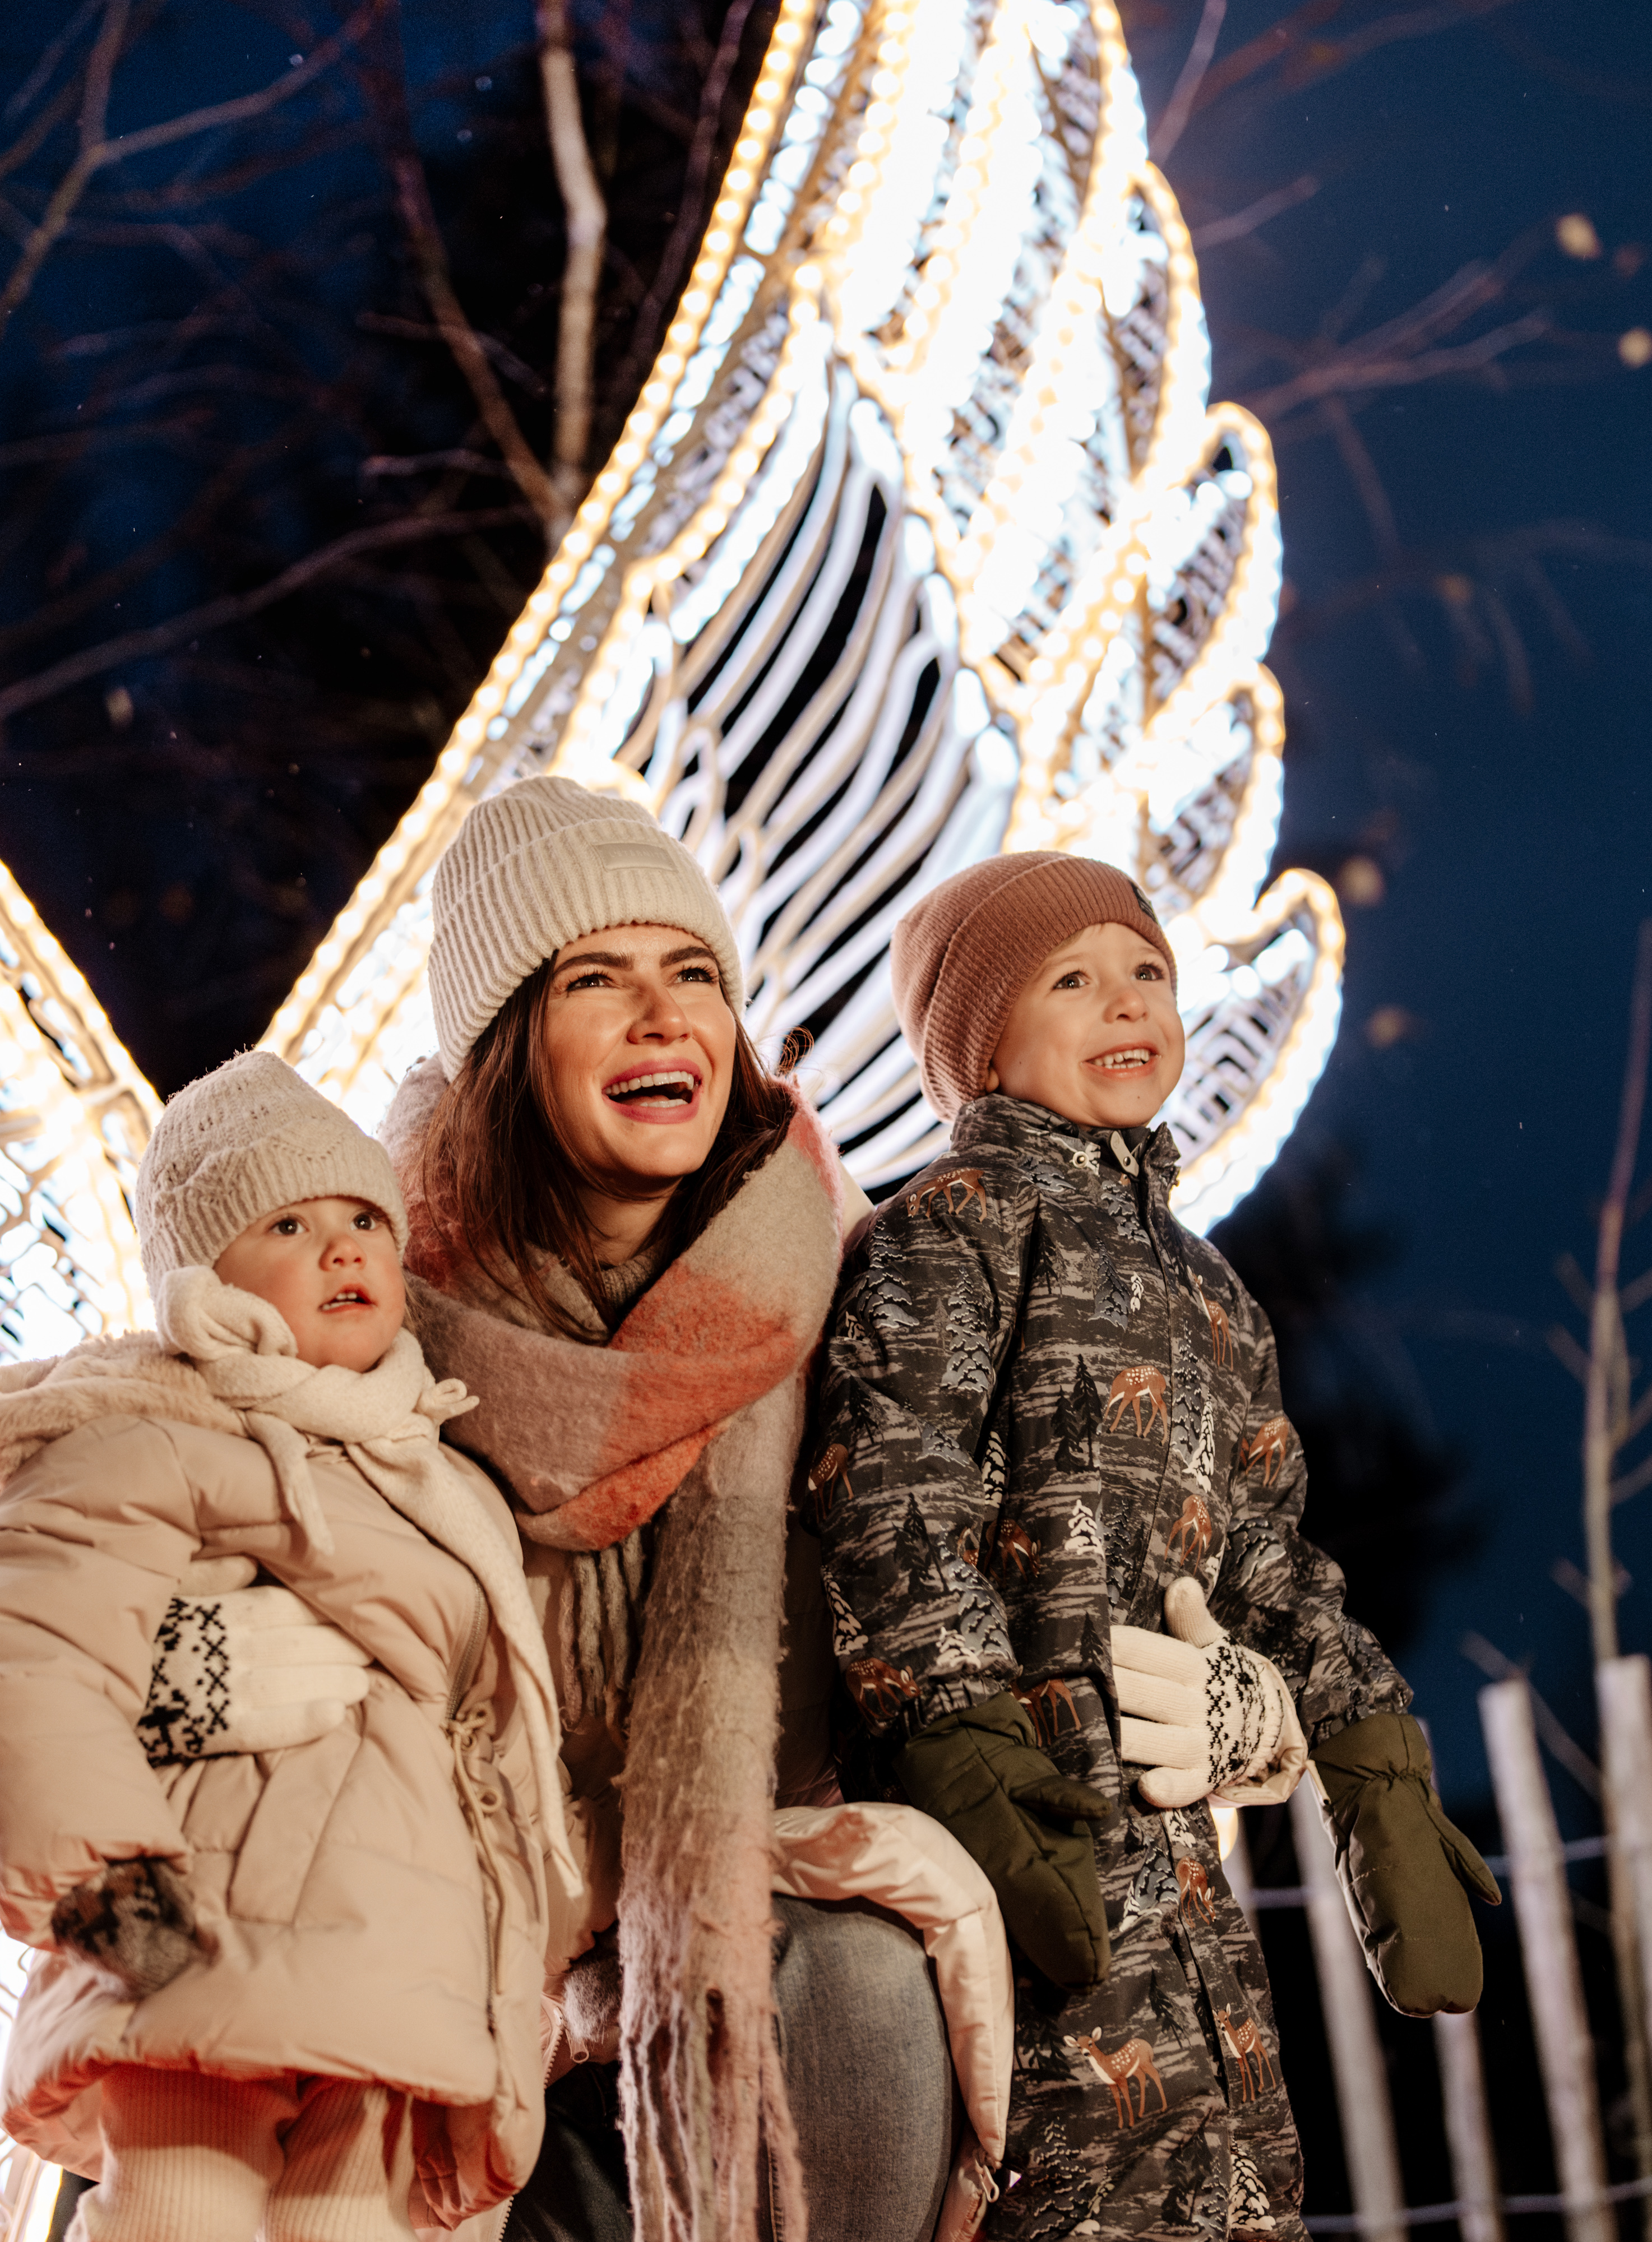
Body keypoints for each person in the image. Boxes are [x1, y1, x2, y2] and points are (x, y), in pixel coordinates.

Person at [806, 853, 1501, 2242]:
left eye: (1149, 971)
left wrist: (1372, 1755)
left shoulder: (1211, 1293)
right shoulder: (951, 1235)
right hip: (1016, 1845)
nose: (1129, 1001)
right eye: (1073, 977)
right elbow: (890, 1497)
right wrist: (970, 1747)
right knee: (1066, 2184)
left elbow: (1273, 1556)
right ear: (981, 1042)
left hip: (1185, 1873)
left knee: (1238, 2178)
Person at [385, 778, 1000, 2242]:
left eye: (697, 977)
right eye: (599, 980)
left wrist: (1235, 1694)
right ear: (504, 1043)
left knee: (854, 1990)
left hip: (762, 1941)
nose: (666, 1019)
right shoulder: (370, 1339)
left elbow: (1042, 1573)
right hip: (484, 1971)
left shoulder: (854, 1298)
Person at [0, 1053, 578, 2242]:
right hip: (196, 1921)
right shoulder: (150, 1428)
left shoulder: (434, 1471)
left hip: (397, 1948)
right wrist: (103, 1885)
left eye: (366, 1219)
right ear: (204, 1273)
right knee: (180, 2207)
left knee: (353, 2224)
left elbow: (494, 1731)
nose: (344, 1249)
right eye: (291, 1222)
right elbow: (27, 1648)